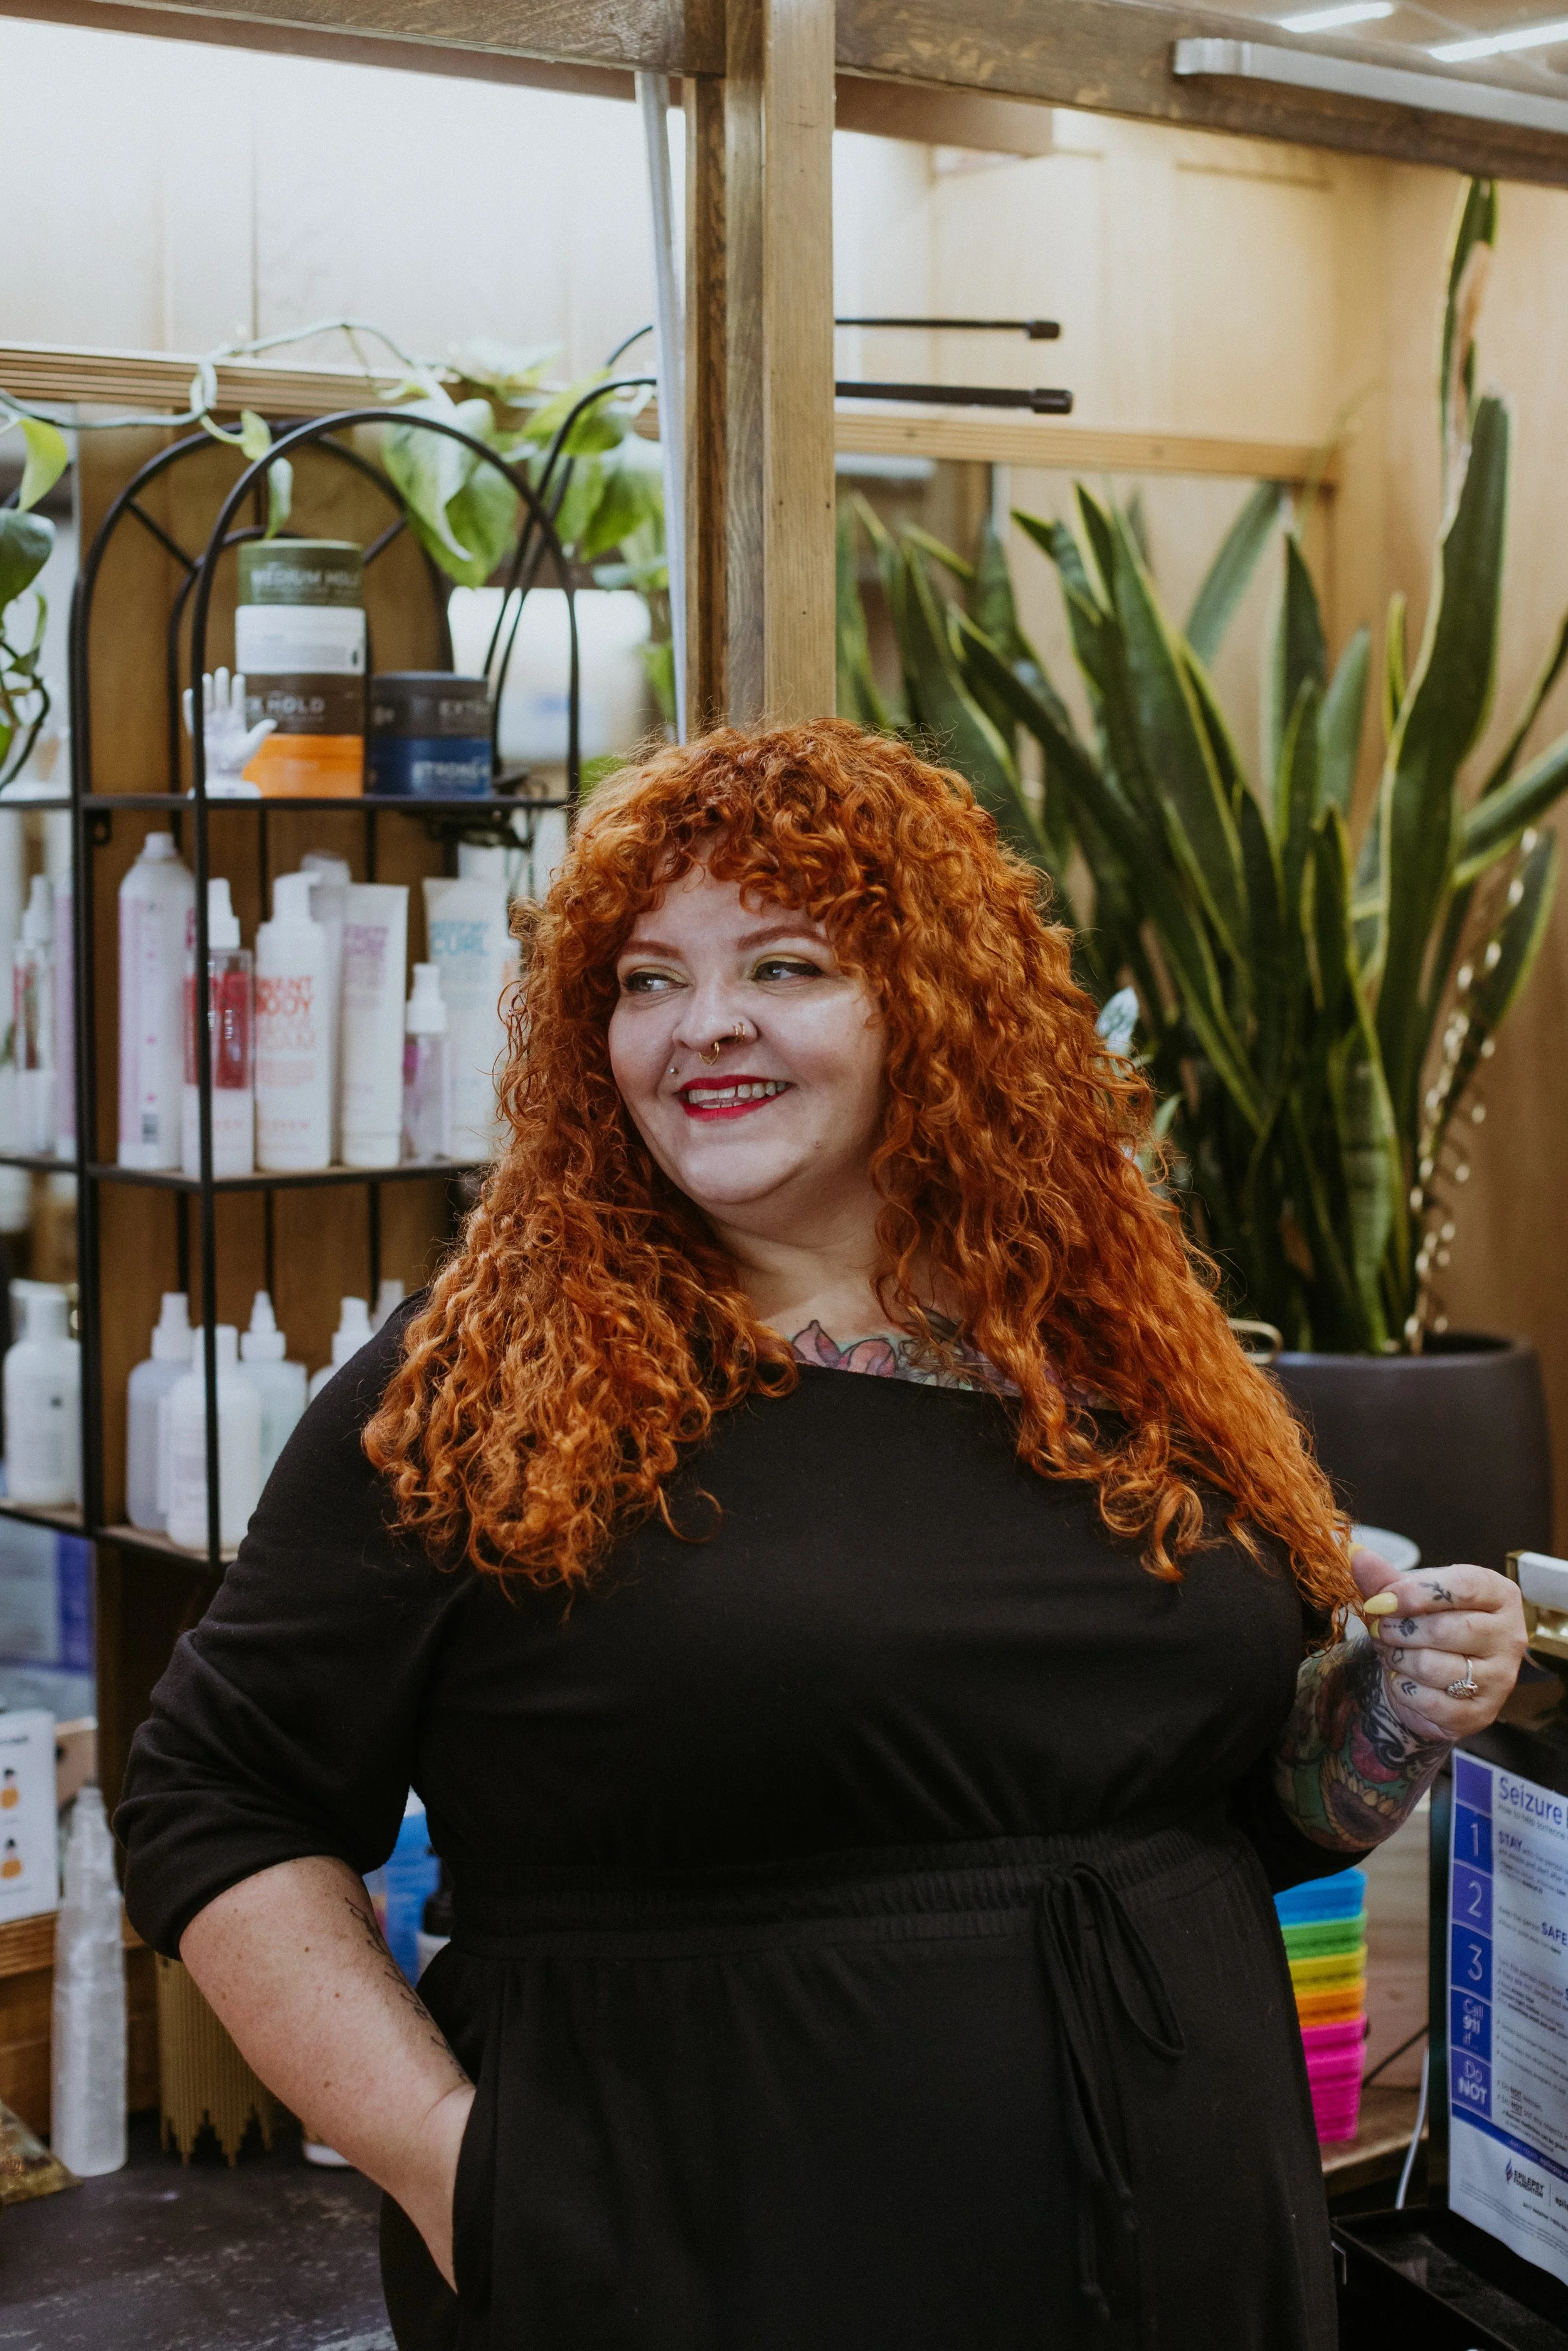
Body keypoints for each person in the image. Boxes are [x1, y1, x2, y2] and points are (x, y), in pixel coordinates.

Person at [117, 722, 1527, 2351]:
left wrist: (1391, 1713)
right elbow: (212, 1799)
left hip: (1179, 2259)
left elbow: (1198, 1815)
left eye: (782, 964)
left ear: (932, 1006)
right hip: (683, 2275)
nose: (703, 1024)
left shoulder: (1116, 1349)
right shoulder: (493, 1379)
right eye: (645, 979)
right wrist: (456, 2168)